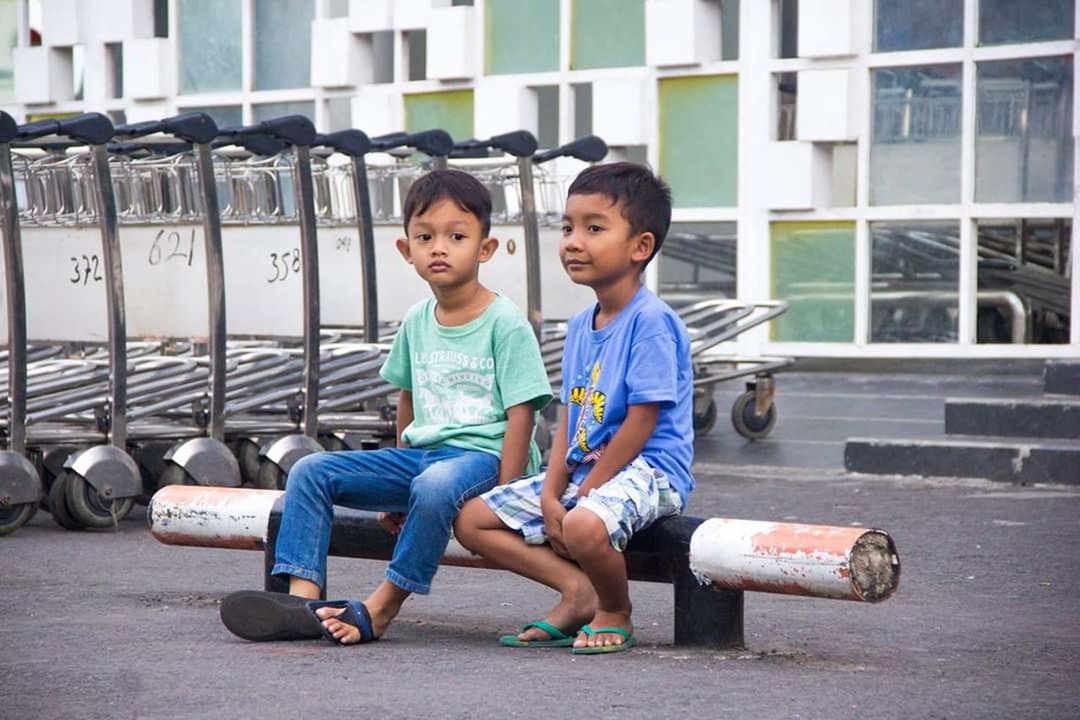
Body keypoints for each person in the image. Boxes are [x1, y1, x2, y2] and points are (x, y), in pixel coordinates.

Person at [220, 169, 552, 645]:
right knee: (311, 469)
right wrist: (400, 489)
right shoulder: (418, 319)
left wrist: (505, 491)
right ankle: (304, 602)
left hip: (483, 459)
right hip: (424, 458)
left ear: (485, 249)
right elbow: (408, 396)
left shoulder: (505, 322)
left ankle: (383, 607)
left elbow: (524, 411)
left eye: (456, 236)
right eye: (425, 237)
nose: (440, 247)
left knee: (435, 485)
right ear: (406, 250)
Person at [454, 162, 694, 655]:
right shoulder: (581, 325)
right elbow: (570, 416)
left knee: (584, 524)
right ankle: (577, 590)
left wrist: (586, 490)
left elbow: (642, 421)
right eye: (567, 227)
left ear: (640, 247)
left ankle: (615, 609)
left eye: (593, 228)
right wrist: (551, 490)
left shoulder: (651, 322)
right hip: (589, 472)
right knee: (471, 519)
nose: (572, 241)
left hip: (650, 469)